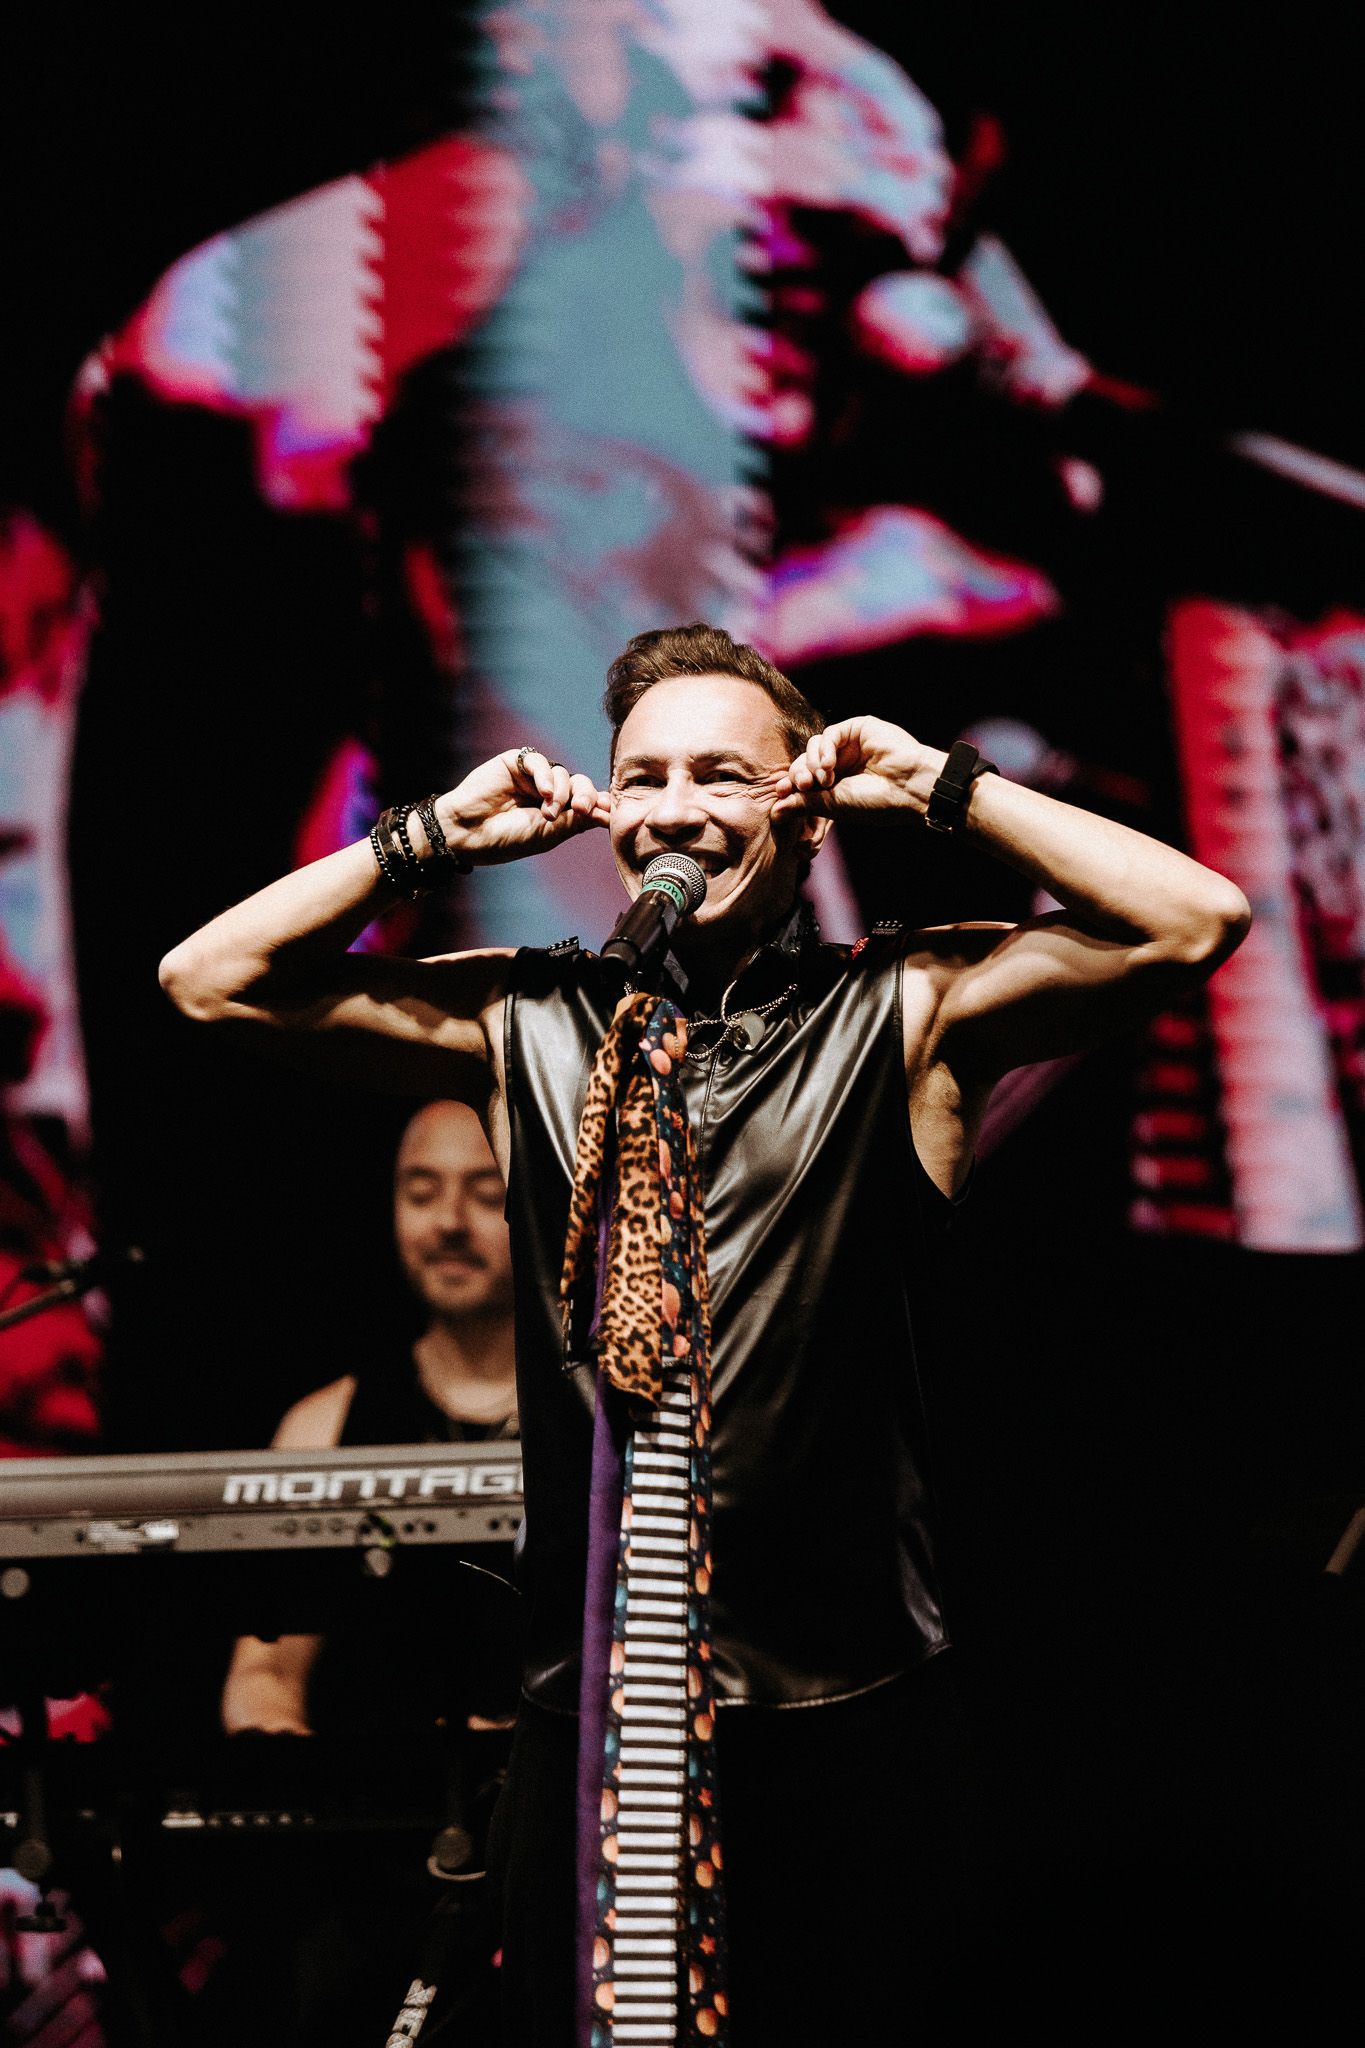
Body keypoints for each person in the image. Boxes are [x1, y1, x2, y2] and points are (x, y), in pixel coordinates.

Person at [160, 622, 1249, 2042]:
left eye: (722, 775)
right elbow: (207, 978)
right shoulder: (528, 1018)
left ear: (802, 806)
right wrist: (427, 838)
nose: (675, 809)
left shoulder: (901, 1009)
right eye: (647, 776)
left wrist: (936, 785)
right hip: (597, 1719)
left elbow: (1192, 919)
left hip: (848, 1711)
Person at [221, 1097, 519, 1738]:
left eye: (487, 1195)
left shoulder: (599, 1420)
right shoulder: (322, 1427)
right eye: (420, 1193)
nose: (449, 1222)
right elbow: (263, 1673)